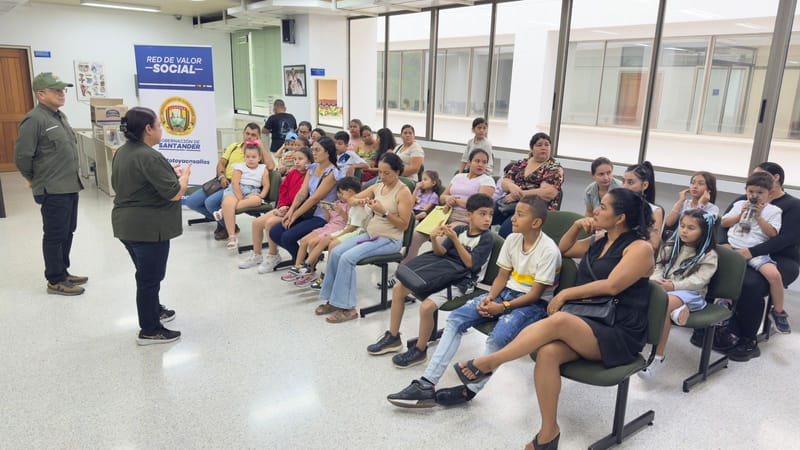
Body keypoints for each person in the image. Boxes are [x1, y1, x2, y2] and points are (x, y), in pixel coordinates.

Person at [452, 188, 654, 450]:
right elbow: (564, 249)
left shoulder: (641, 248)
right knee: (547, 353)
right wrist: (575, 226)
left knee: (559, 321)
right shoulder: (599, 241)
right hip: (588, 320)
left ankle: (490, 362)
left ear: (620, 218)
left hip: (618, 330)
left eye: (603, 208)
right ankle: (549, 433)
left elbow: (613, 286)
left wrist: (566, 293)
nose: (596, 211)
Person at [386, 196, 561, 408]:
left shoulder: (548, 250)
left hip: (532, 304)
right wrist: (490, 298)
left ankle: (470, 390)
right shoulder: (513, 240)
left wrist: (502, 307)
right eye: (515, 213)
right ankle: (426, 384)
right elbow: (501, 277)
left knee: (498, 338)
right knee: (455, 319)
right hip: (505, 292)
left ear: (536, 223)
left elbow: (535, 295)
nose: (512, 218)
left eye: (520, 215)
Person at [367, 193, 495, 365]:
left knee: (427, 307)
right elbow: (439, 253)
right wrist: (434, 238)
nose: (488, 219)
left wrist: (455, 241)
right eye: (482, 214)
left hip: (463, 281)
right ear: (469, 215)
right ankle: (393, 337)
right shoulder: (460, 229)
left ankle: (420, 350)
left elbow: (471, 264)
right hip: (444, 270)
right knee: (398, 289)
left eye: (490, 214)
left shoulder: (487, 238)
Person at [111, 107, 191, 345]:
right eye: (158, 125)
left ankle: (154, 309)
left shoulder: (123, 152)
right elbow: (175, 193)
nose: (161, 129)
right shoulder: (149, 156)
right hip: (146, 228)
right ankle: (150, 329)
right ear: (148, 129)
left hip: (127, 225)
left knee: (147, 273)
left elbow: (141, 182)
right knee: (149, 278)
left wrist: (169, 174)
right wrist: (184, 176)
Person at [713, 162, 800, 358]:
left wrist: (751, 252)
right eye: (750, 186)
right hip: (739, 248)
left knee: (748, 283)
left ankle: (748, 339)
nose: (753, 191)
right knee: (711, 268)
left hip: (779, 256)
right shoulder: (743, 201)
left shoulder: (792, 206)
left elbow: (784, 239)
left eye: (760, 179)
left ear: (774, 179)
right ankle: (715, 326)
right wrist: (724, 244)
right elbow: (724, 225)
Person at [314, 152, 413, 323]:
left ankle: (348, 308)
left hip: (389, 239)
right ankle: (333, 300)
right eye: (380, 172)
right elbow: (351, 198)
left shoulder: (403, 192)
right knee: (336, 251)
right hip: (372, 234)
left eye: (386, 173)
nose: (382, 176)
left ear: (397, 172)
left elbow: (404, 225)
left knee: (347, 258)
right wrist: (358, 201)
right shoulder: (378, 186)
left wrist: (385, 212)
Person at [14, 72, 87, 296]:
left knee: (68, 231)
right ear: (41, 94)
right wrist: (33, 179)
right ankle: (55, 280)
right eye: (56, 90)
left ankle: (63, 271)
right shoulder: (35, 119)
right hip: (52, 188)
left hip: (69, 185)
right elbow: (22, 156)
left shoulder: (59, 116)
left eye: (62, 90)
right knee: (55, 234)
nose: (61, 93)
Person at [640, 209, 718, 378]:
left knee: (664, 305)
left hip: (692, 294)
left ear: (704, 232)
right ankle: (678, 312)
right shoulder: (671, 244)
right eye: (682, 226)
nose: (683, 230)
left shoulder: (708, 255)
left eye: (691, 228)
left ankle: (658, 357)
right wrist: (658, 281)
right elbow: (658, 265)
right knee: (640, 293)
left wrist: (673, 286)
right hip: (666, 287)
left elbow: (699, 280)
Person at [401, 148, 495, 265]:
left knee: (440, 240)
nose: (481, 164)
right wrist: (448, 199)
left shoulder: (487, 180)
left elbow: (480, 205)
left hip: (464, 218)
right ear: (469, 162)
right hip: (444, 213)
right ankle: (403, 269)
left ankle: (424, 273)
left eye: (484, 162)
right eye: (477, 161)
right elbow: (442, 197)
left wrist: (455, 201)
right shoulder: (458, 177)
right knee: (415, 236)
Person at [720, 172, 784, 338]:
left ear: (770, 193)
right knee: (718, 270)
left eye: (760, 193)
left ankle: (778, 312)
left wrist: (759, 217)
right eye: (751, 192)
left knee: (774, 275)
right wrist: (739, 214)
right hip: (733, 247)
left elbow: (773, 234)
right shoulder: (740, 204)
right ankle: (724, 302)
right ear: (746, 190)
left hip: (755, 251)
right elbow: (724, 223)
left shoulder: (774, 211)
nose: (754, 196)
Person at [185, 123, 273, 241]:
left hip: (239, 186)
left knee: (210, 203)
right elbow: (221, 163)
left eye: (253, 135)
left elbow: (271, 166)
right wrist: (221, 176)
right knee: (191, 202)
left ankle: (226, 226)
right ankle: (223, 221)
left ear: (258, 137)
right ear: (243, 134)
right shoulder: (234, 147)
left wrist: (261, 147)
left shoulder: (257, 153)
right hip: (222, 181)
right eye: (247, 133)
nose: (249, 137)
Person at [269, 137, 342, 263]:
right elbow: (302, 192)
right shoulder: (312, 168)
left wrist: (295, 215)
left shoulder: (332, 173)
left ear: (328, 152)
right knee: (275, 232)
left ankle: (303, 263)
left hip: (322, 215)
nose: (314, 153)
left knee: (287, 236)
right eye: (313, 149)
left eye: (317, 150)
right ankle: (304, 259)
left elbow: (315, 198)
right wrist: (291, 211)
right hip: (307, 211)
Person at [239, 147, 313, 272]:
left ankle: (273, 255)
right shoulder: (293, 173)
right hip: (283, 208)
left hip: (296, 212)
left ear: (310, 161)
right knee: (256, 223)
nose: (297, 162)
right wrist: (281, 206)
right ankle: (257, 255)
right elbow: (283, 190)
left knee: (270, 223)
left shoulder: (310, 176)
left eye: (300, 159)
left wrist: (287, 209)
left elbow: (305, 199)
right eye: (295, 159)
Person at [281, 177, 361, 286]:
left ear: (351, 192)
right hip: (328, 226)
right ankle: (298, 267)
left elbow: (349, 222)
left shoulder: (352, 206)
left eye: (342, 193)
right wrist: (326, 210)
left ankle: (309, 271)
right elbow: (329, 220)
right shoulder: (337, 202)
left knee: (313, 242)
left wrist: (340, 211)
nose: (339, 195)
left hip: (339, 229)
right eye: (338, 193)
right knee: (304, 240)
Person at [494, 132, 564, 238]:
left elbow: (547, 193)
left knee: (506, 231)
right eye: (539, 145)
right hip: (511, 203)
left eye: (547, 145)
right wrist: (512, 187)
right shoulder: (522, 163)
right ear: (531, 148)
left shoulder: (553, 167)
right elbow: (505, 182)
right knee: (482, 214)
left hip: (534, 208)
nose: (544, 148)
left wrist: (519, 194)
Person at [212, 142, 270, 250]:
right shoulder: (239, 167)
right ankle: (232, 237)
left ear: (259, 158)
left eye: (254, 157)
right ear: (244, 157)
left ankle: (223, 211)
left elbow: (266, 185)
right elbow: (234, 183)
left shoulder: (263, 169)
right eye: (247, 157)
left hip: (252, 191)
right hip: (236, 189)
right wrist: (240, 197)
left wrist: (262, 195)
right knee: (227, 203)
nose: (250, 159)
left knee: (257, 201)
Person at [621, 161, 663, 251]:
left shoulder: (655, 211)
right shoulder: (617, 205)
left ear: (644, 185)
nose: (624, 186)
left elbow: (654, 244)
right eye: (623, 181)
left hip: (636, 254)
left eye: (630, 182)